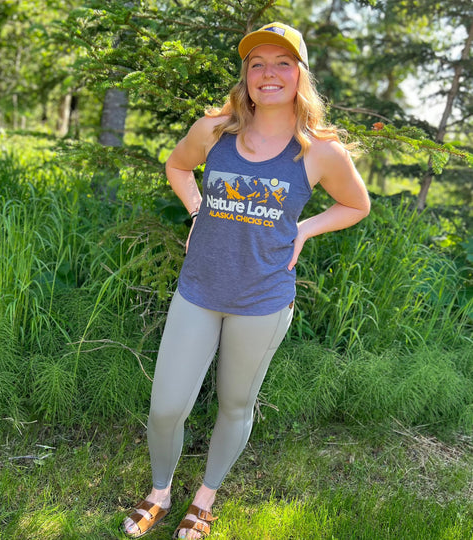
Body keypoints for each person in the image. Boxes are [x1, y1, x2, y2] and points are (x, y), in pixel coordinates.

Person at [122, 21, 370, 539]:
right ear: (246, 75)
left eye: (282, 62)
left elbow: (355, 204)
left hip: (263, 299)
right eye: (257, 63)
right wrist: (196, 211)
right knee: (167, 406)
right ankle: (160, 492)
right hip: (199, 290)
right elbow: (177, 166)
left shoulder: (319, 150)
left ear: (301, 74)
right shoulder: (215, 130)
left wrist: (304, 230)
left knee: (235, 404)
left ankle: (205, 499)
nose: (268, 73)